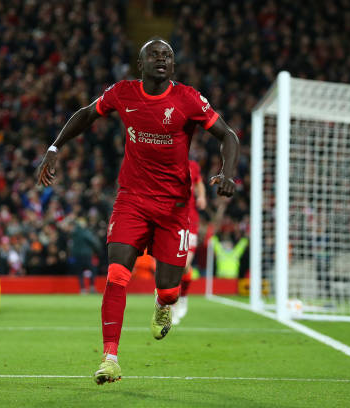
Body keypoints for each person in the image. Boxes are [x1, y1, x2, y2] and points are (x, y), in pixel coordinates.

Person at [36, 37, 239, 384]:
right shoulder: (123, 92)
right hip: (131, 200)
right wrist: (55, 147)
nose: (161, 59)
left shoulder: (188, 99)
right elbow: (86, 115)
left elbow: (228, 135)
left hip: (174, 208)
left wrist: (227, 172)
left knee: (170, 289)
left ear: (173, 67)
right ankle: (110, 358)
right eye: (154, 55)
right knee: (117, 274)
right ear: (140, 64)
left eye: (168, 56)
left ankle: (164, 304)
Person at [172, 159, 206, 325]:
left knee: (184, 264)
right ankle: (170, 305)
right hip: (170, 219)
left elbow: (199, 182)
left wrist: (202, 197)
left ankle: (183, 296)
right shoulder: (165, 162)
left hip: (190, 220)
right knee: (171, 264)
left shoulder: (193, 165)